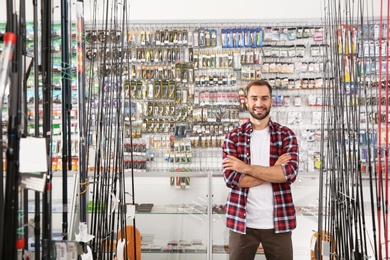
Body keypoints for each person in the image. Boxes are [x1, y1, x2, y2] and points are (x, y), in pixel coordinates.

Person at [222, 79, 299, 260]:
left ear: (271, 101)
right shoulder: (232, 137)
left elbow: (288, 174)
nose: (259, 104)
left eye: (264, 98)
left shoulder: (286, 135)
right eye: (254, 98)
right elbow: (233, 180)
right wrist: (273, 170)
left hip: (279, 222)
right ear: (246, 101)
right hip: (242, 223)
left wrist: (245, 168)